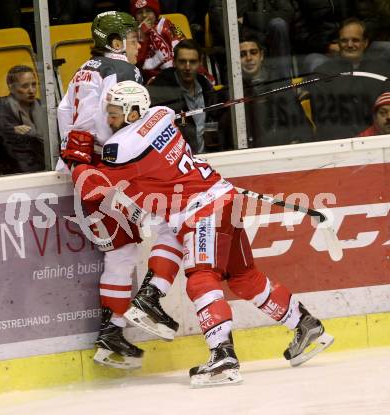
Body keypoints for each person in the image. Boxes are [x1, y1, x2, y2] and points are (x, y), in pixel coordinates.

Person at [72, 80, 334, 387]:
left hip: (201, 210)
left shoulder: (123, 146)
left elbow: (92, 187)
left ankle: (223, 356)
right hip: (223, 198)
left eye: (115, 113)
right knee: (243, 276)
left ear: (133, 111)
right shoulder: (160, 115)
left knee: (200, 277)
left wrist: (75, 160)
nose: (109, 119)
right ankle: (305, 324)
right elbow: (160, 120)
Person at [57, 11, 182, 370]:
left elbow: (69, 122)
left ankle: (111, 332)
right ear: (114, 43)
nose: (137, 42)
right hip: (117, 171)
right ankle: (149, 301)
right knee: (172, 229)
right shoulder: (125, 72)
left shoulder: (82, 71)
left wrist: (76, 164)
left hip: (86, 172)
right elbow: (126, 124)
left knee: (122, 252)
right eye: (130, 38)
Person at [309, 18, 390, 141]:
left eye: (355, 40)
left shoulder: (382, 70)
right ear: (338, 43)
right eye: (344, 40)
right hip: (340, 142)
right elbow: (324, 119)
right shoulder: (323, 73)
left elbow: (386, 110)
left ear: (365, 42)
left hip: (377, 140)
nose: (350, 45)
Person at [147, 39, 225, 153]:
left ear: (200, 63)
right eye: (182, 61)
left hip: (206, 158)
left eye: (192, 62)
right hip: (177, 161)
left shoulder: (207, 88)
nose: (187, 67)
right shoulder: (160, 90)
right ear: (174, 62)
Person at [239, 36, 313, 147]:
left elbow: (299, 124)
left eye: (253, 52)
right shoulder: (233, 89)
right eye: (242, 54)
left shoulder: (278, 83)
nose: (249, 58)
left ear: (261, 56)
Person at [0, 65, 46, 174]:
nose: (31, 90)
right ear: (11, 87)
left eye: (34, 84)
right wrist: (11, 131)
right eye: (25, 86)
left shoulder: (44, 107)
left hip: (46, 169)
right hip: (14, 173)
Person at [129, 0, 185, 82]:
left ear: (155, 13)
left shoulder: (168, 25)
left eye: (148, 11)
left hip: (179, 72)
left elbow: (187, 47)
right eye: (140, 12)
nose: (144, 15)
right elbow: (136, 64)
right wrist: (144, 37)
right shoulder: (131, 34)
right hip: (150, 80)